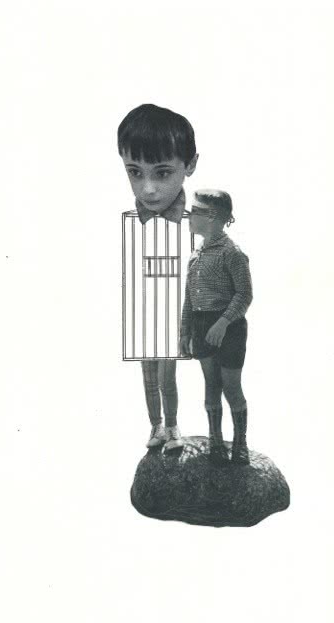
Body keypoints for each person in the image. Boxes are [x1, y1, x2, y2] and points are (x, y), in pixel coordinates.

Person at [118, 104, 198, 450]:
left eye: (162, 173)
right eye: (135, 172)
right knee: (148, 377)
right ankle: (156, 427)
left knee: (168, 378)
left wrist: (190, 325)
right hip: (144, 316)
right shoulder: (131, 224)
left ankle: (174, 426)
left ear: (190, 165)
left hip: (176, 318)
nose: (148, 189)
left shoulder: (194, 225)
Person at [180, 190, 253, 465]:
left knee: (231, 387)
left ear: (211, 217)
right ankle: (216, 441)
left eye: (194, 211)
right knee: (211, 384)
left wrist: (223, 322)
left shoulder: (231, 253)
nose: (189, 216)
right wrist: (184, 332)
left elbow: (244, 294)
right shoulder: (195, 255)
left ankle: (240, 444)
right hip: (201, 324)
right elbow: (189, 298)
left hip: (229, 327)